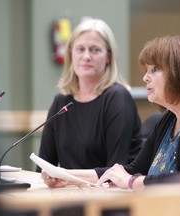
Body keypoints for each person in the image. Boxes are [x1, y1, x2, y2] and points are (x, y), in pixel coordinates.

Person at [41, 35, 180, 191]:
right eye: (146, 70)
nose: (145, 78)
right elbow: (129, 169)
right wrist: (68, 176)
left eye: (155, 70)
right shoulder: (170, 117)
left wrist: (132, 182)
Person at [36, 18, 142, 172]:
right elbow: (42, 167)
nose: (86, 56)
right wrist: (49, 177)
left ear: (108, 57)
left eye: (95, 50)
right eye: (80, 49)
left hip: (111, 194)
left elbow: (115, 172)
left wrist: (65, 178)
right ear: (71, 54)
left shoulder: (118, 98)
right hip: (67, 193)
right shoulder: (61, 102)